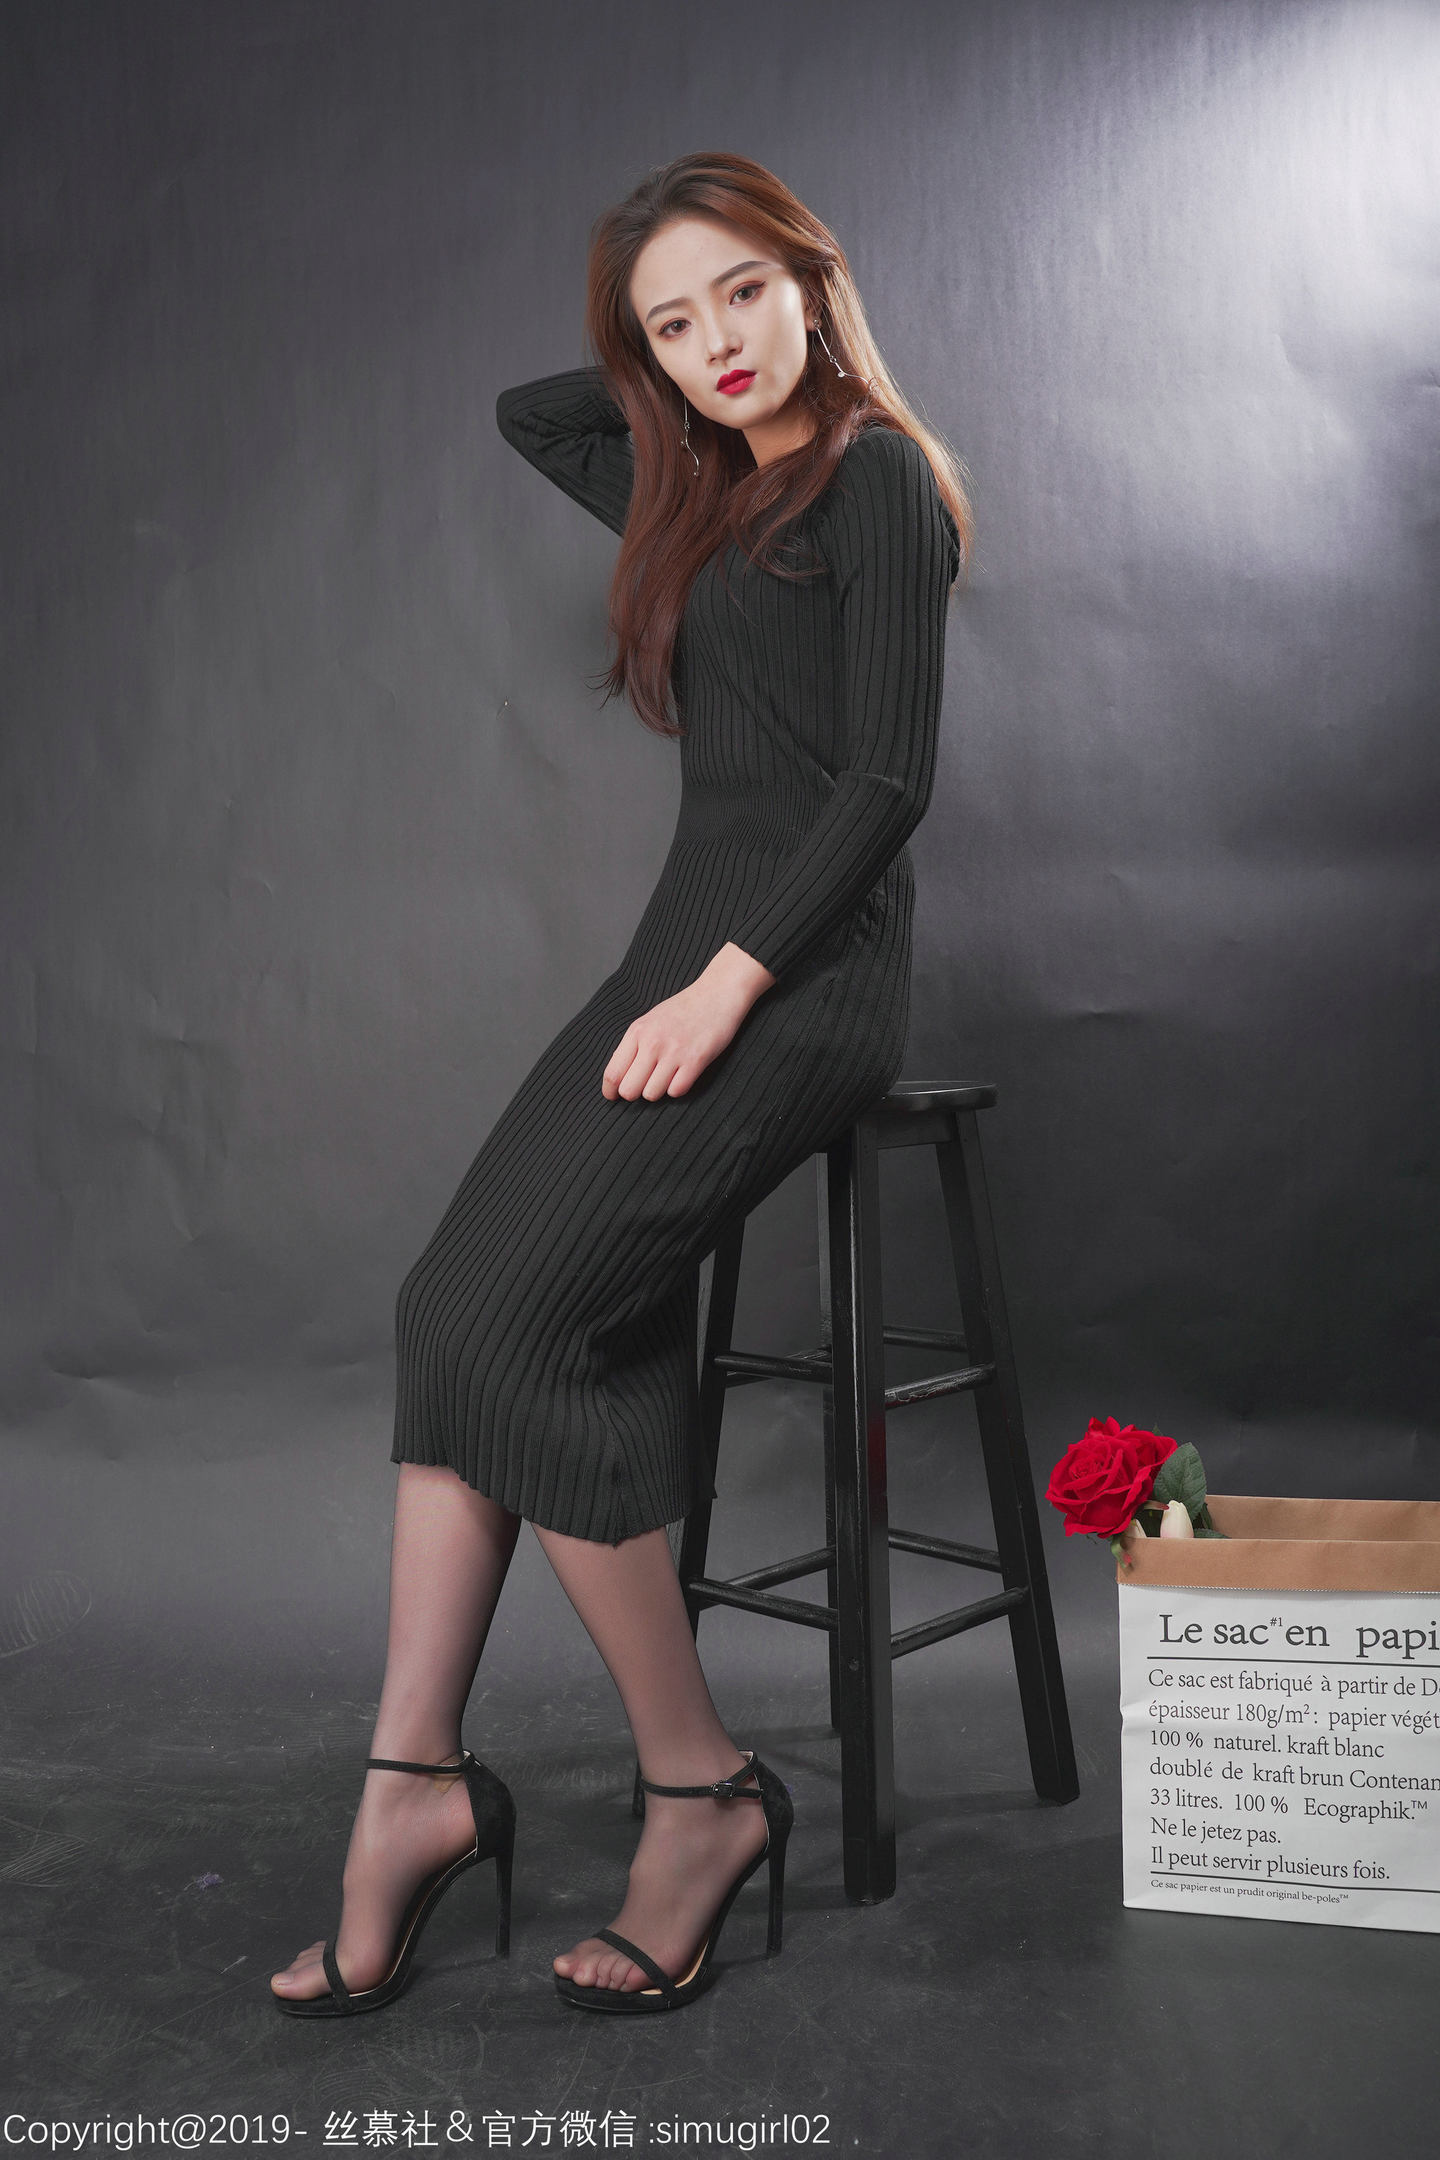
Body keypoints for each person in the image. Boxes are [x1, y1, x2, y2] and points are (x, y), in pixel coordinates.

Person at [269, 150, 970, 2019]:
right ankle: (412, 1785)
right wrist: (666, 370)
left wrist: (735, 988)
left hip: (803, 981)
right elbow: (538, 414)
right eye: (674, 324)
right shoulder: (709, 491)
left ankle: (699, 1795)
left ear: (814, 279)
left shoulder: (878, 481)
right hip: (678, 966)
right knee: (455, 1311)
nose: (716, 342)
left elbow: (888, 780)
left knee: (501, 1326)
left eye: (744, 291)